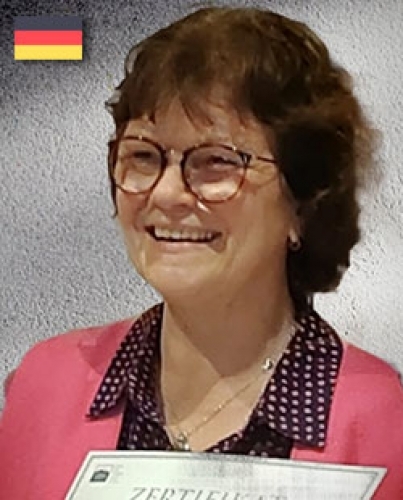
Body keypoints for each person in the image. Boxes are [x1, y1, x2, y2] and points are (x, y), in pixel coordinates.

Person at [1, 6, 402, 499]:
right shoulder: (45, 384)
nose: (167, 193)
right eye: (143, 156)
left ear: (302, 204)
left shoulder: (387, 425)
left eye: (216, 162)